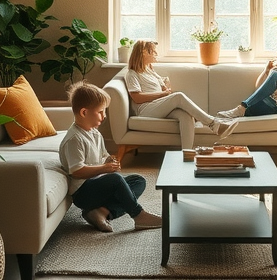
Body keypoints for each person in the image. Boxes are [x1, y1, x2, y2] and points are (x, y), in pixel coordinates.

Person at [58, 81, 163, 232]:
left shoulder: (94, 133)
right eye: (100, 112)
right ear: (84, 112)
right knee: (116, 180)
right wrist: (104, 169)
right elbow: (77, 171)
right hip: (83, 192)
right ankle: (139, 215)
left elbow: (103, 156)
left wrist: (109, 161)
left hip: (98, 184)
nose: (104, 116)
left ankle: (101, 213)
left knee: (138, 181)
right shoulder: (75, 139)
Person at [125, 40, 237, 149]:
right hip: (146, 110)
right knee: (178, 96)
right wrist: (162, 94)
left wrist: (165, 87)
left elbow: (164, 88)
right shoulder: (132, 73)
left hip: (158, 107)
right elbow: (137, 98)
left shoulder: (149, 70)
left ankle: (187, 153)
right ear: (143, 52)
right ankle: (213, 123)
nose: (156, 54)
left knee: (185, 115)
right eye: (153, 51)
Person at [217, 44, 277, 118]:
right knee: (245, 111)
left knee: (276, 74)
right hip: (266, 103)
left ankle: (242, 107)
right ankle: (219, 120)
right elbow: (258, 86)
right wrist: (266, 70)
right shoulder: (274, 70)